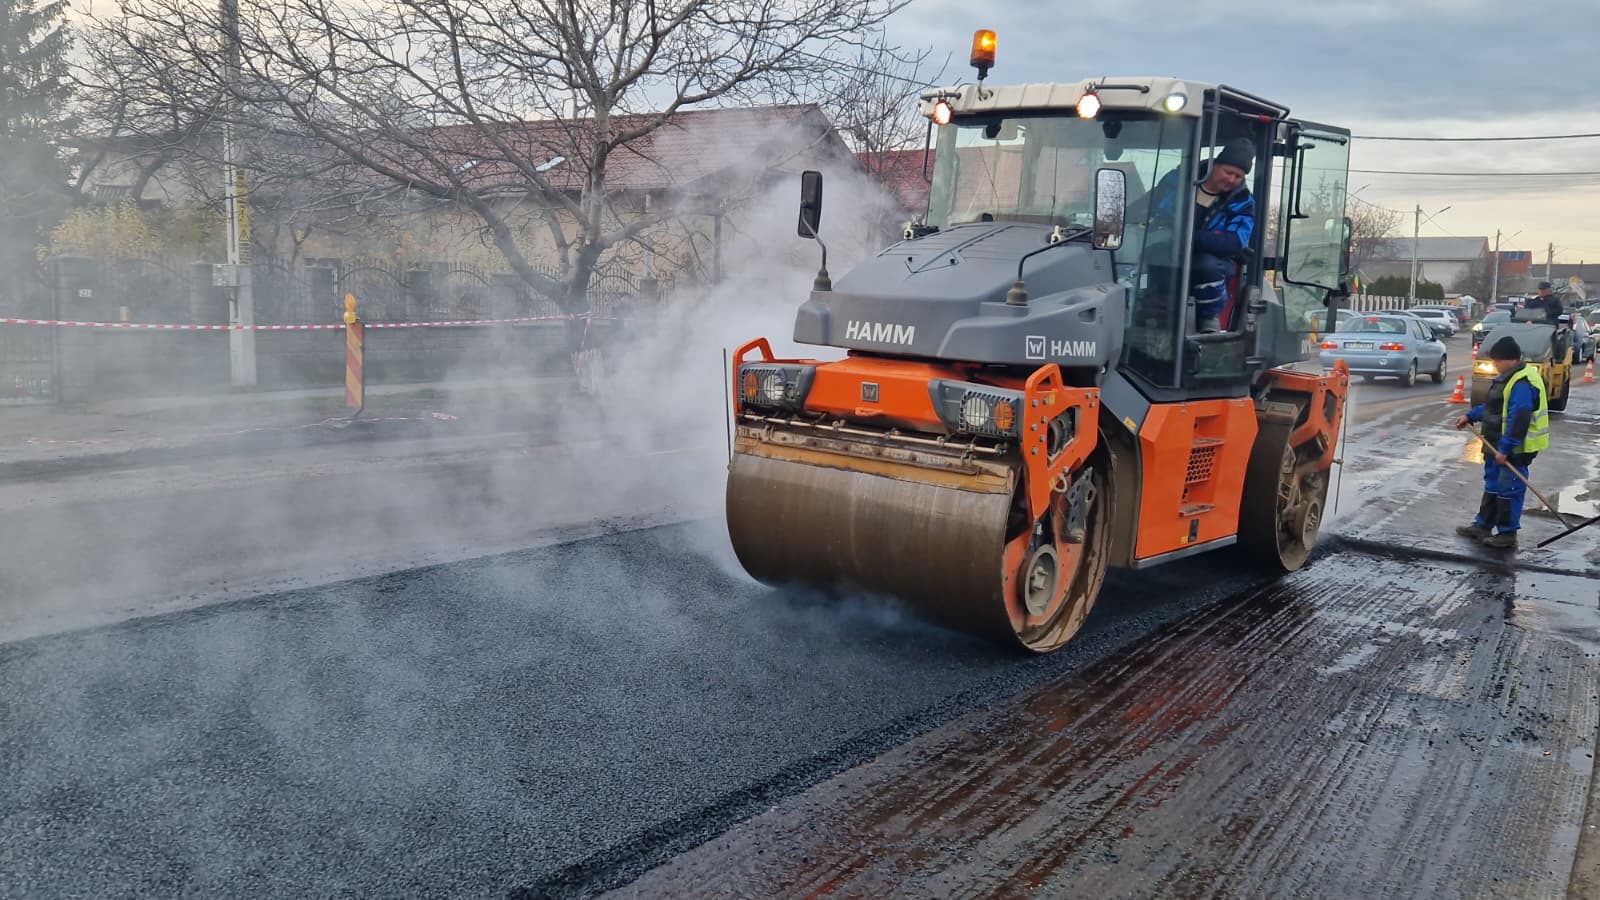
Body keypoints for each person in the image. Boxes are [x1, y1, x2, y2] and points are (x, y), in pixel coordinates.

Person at [1141, 136, 1257, 333]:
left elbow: (1234, 241)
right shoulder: (1177, 180)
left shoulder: (1243, 201)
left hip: (1216, 260)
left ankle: (1208, 317)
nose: (1231, 179)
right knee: (1149, 254)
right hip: (1170, 249)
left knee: (1206, 265)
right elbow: (1150, 206)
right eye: (1228, 172)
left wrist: (1189, 237)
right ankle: (1152, 307)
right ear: (1215, 166)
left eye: (1238, 176)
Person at [1454, 335, 1550, 548]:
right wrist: (1470, 416)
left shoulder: (1522, 382)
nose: (1495, 364)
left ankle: (1507, 533)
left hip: (1515, 449)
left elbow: (1519, 419)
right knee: (1493, 485)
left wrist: (1505, 448)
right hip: (1494, 444)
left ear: (1511, 359)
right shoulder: (1506, 378)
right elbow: (1494, 409)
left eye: (1497, 360)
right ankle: (1483, 525)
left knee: (1509, 488)